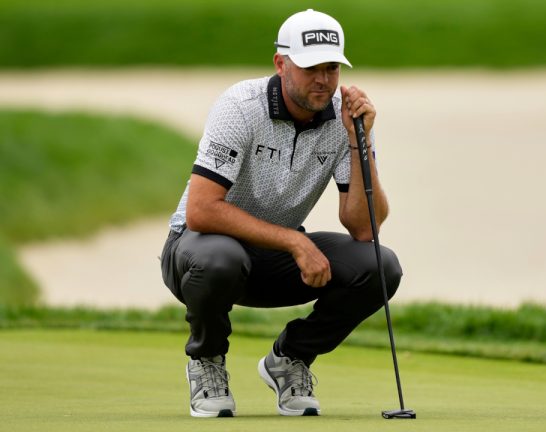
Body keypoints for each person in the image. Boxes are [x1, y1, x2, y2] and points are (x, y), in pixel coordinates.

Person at [159, 9, 402, 418]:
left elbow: (365, 228)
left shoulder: (349, 116)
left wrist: (358, 141)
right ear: (281, 63)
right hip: (195, 254)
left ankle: (289, 359)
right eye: (310, 68)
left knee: (381, 264)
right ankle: (208, 362)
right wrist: (294, 240)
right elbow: (201, 211)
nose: (323, 80)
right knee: (221, 258)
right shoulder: (240, 106)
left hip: (272, 259)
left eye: (331, 68)